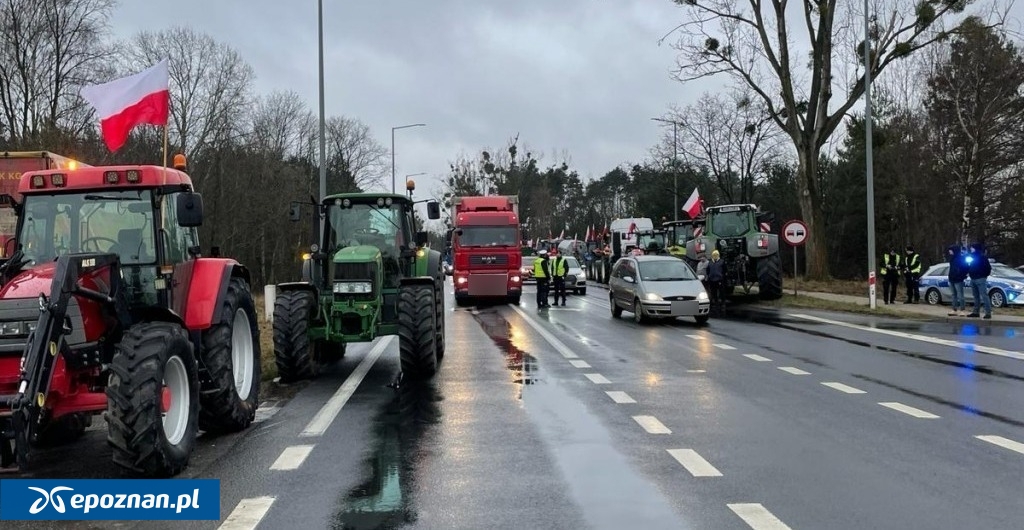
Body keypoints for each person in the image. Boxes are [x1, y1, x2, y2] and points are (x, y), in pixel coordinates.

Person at [966, 242, 992, 319]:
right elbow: (970, 267)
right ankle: (976, 312)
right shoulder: (972, 257)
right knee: (975, 296)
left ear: (975, 249)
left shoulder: (982, 257)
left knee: (984, 295)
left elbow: (988, 268)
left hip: (980, 278)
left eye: (972, 248)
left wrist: (983, 275)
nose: (971, 249)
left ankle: (988, 312)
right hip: (973, 278)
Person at [946, 245, 968, 316]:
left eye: (951, 250)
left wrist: (962, 276)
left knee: (960, 295)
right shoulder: (952, 258)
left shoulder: (960, 258)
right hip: (952, 278)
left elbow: (965, 268)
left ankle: (962, 309)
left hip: (958, 279)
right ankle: (954, 309)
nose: (949, 251)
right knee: (953, 295)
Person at [706, 249, 726, 315]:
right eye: (714, 255)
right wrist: (709, 276)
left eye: (716, 255)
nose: (715, 256)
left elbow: (724, 270)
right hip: (712, 280)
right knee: (713, 292)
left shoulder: (722, 262)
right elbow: (707, 270)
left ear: (718, 255)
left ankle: (723, 303)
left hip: (719, 280)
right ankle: (716, 303)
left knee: (721, 292)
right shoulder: (710, 262)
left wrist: (722, 277)